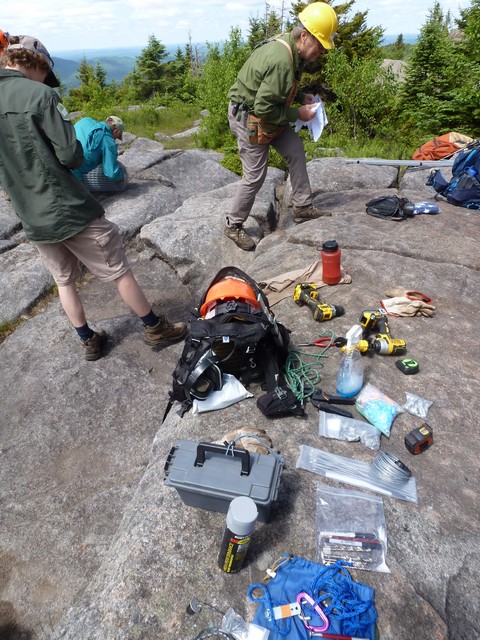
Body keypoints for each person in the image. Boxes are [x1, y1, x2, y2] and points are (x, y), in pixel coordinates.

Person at [0, 35, 186, 361]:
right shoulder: (41, 95)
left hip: (30, 214)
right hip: (67, 207)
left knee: (64, 280)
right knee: (118, 270)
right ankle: (155, 328)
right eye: (46, 74)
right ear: (36, 64)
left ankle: (88, 339)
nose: (47, 80)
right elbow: (71, 156)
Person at [225, 2, 338, 251]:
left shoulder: (292, 49)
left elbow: (279, 88)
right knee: (255, 175)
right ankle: (233, 225)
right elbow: (263, 107)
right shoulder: (282, 60)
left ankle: (302, 207)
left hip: (268, 114)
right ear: (305, 35)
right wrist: (297, 113)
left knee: (295, 149)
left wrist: (301, 98)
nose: (321, 50)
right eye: (320, 44)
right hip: (250, 118)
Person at [73, 115, 129, 192]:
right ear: (115, 131)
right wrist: (121, 176)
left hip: (57, 157)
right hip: (73, 172)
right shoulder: (108, 141)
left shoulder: (85, 120)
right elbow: (111, 173)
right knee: (85, 200)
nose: (115, 139)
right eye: (117, 136)